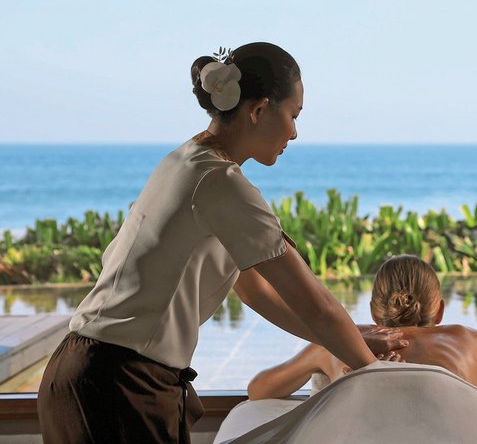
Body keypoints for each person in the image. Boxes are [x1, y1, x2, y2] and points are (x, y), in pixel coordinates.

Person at [36, 42, 406, 444]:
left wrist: (350, 340)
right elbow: (315, 305)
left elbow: (257, 292)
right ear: (259, 110)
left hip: (91, 370)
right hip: (118, 384)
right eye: (293, 115)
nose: (295, 132)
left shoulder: (187, 159)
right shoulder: (221, 183)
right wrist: (377, 375)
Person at [248, 254, 477, 401]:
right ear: (440, 310)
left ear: (374, 315)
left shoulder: (339, 341)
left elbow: (259, 390)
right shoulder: (470, 342)